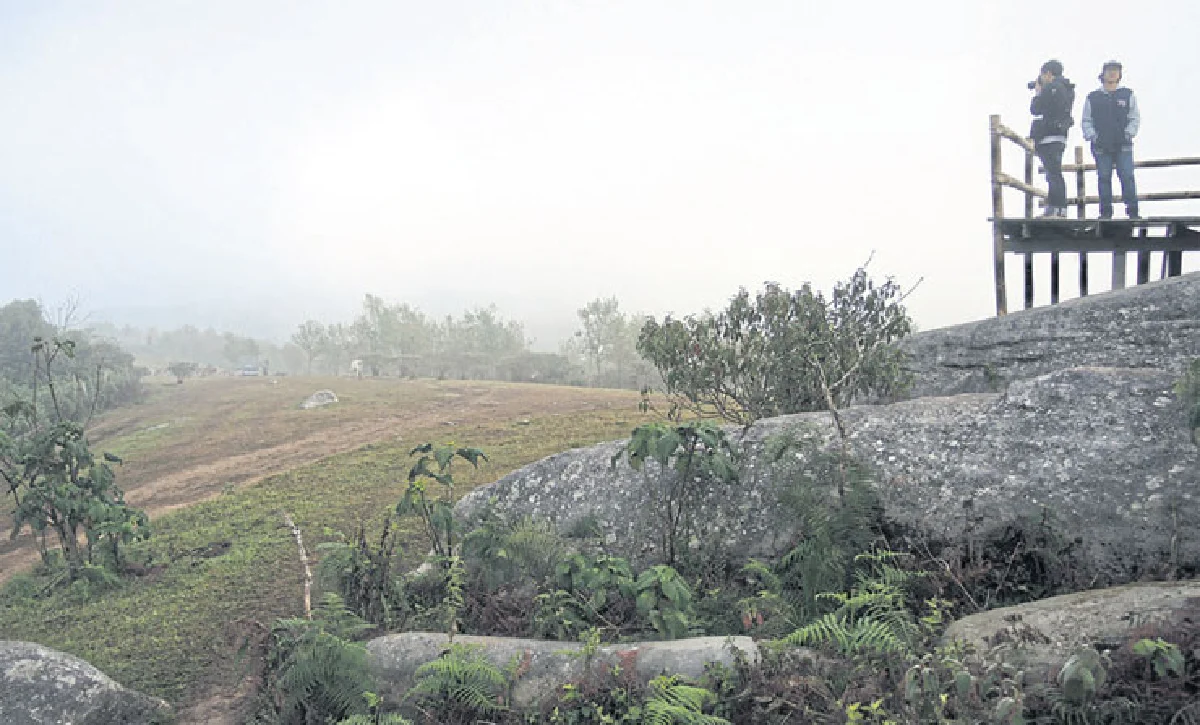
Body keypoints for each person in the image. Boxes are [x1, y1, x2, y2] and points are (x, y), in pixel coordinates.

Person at [1082, 60, 1140, 219]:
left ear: (1120, 74)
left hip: (1123, 145)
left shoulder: (1127, 94)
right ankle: (1106, 213)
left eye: (1116, 70)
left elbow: (1134, 118)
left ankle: (1133, 211)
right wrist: (1094, 137)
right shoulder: (1093, 97)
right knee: (1104, 178)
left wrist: (1128, 133)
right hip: (1101, 146)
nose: (1113, 73)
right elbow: (1086, 120)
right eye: (1109, 70)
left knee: (1127, 176)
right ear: (1103, 74)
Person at [1029, 60, 1075, 218]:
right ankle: (1059, 208)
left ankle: (1055, 209)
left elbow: (1035, 109)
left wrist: (1038, 92)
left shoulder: (1052, 88)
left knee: (1052, 174)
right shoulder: (1067, 89)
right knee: (1055, 173)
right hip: (1060, 136)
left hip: (1048, 136)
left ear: (1048, 73)